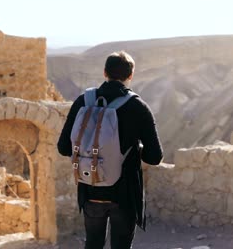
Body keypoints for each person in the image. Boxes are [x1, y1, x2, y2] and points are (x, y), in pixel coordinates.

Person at [57, 51, 163, 249]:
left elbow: (63, 147)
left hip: (90, 187)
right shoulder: (138, 107)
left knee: (93, 243)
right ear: (130, 76)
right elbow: (155, 157)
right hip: (124, 194)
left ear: (105, 73)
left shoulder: (83, 101)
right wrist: (133, 149)